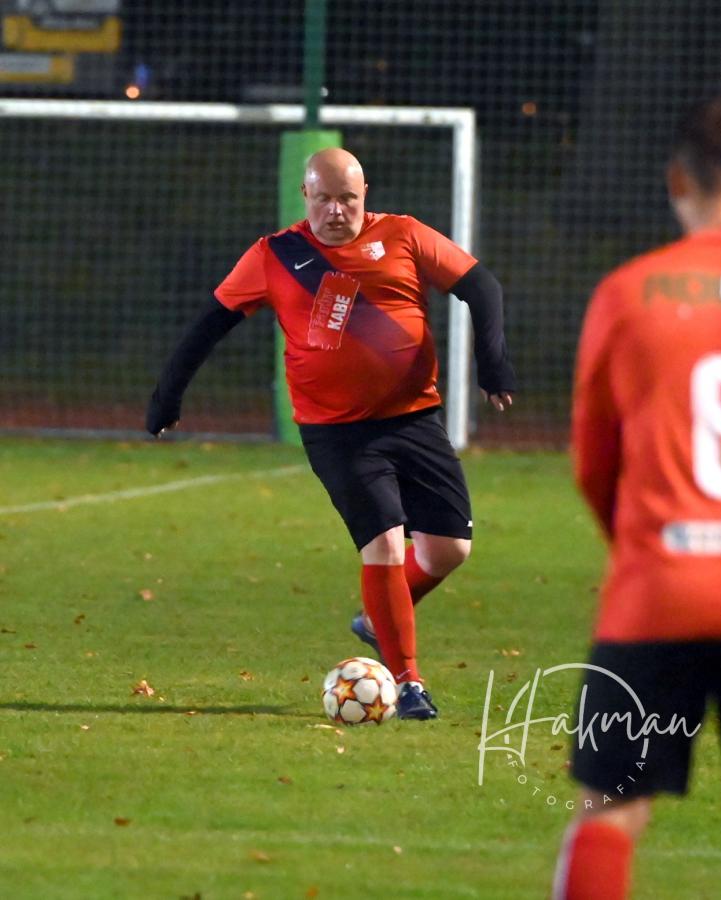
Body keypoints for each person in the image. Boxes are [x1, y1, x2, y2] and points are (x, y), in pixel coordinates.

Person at [146, 147, 516, 720]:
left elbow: (481, 286)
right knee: (386, 544)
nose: (336, 210)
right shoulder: (275, 255)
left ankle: (376, 621)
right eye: (324, 199)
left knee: (449, 549)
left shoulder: (404, 235)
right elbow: (209, 324)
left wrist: (492, 365)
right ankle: (408, 683)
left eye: (347, 198)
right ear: (306, 196)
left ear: (365, 194)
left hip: (414, 417)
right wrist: (167, 396)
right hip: (337, 431)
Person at [552, 97, 721, 898]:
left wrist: (648, 548)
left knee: (611, 808)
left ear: (679, 182)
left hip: (657, 590)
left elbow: (595, 466)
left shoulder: (628, 294)